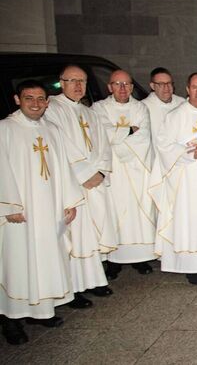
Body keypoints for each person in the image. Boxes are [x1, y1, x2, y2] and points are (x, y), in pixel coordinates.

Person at [0, 80, 83, 345]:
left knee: (46, 258)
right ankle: (10, 319)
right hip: (21, 212)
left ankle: (41, 311)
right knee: (18, 264)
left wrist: (69, 200)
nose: (35, 104)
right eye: (29, 98)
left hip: (49, 208)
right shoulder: (5, 129)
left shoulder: (52, 129)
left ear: (48, 102)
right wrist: (9, 205)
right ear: (17, 100)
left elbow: (63, 167)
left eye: (40, 99)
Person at [45, 65, 117, 308]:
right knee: (74, 235)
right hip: (72, 183)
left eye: (82, 81)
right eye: (72, 80)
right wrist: (85, 173)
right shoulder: (52, 110)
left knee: (92, 231)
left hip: (94, 181)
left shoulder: (89, 112)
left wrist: (101, 170)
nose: (78, 86)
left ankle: (95, 279)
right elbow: (61, 145)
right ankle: (73, 288)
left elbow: (103, 143)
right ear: (61, 82)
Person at [149, 72, 197, 285]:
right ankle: (192, 267)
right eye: (195, 87)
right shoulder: (175, 116)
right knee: (189, 219)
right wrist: (190, 153)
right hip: (184, 180)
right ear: (187, 89)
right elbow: (164, 146)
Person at [93, 70, 157, 277]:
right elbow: (102, 135)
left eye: (127, 84)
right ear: (109, 87)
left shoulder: (141, 108)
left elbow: (144, 137)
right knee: (114, 213)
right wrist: (129, 131)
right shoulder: (99, 108)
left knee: (137, 216)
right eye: (117, 84)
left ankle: (141, 258)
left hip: (136, 169)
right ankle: (114, 261)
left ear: (131, 87)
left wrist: (117, 142)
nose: (122, 88)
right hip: (113, 171)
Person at [142, 67, 185, 148]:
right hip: (156, 156)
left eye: (169, 83)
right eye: (161, 84)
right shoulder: (144, 107)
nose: (166, 88)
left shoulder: (182, 103)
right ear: (152, 86)